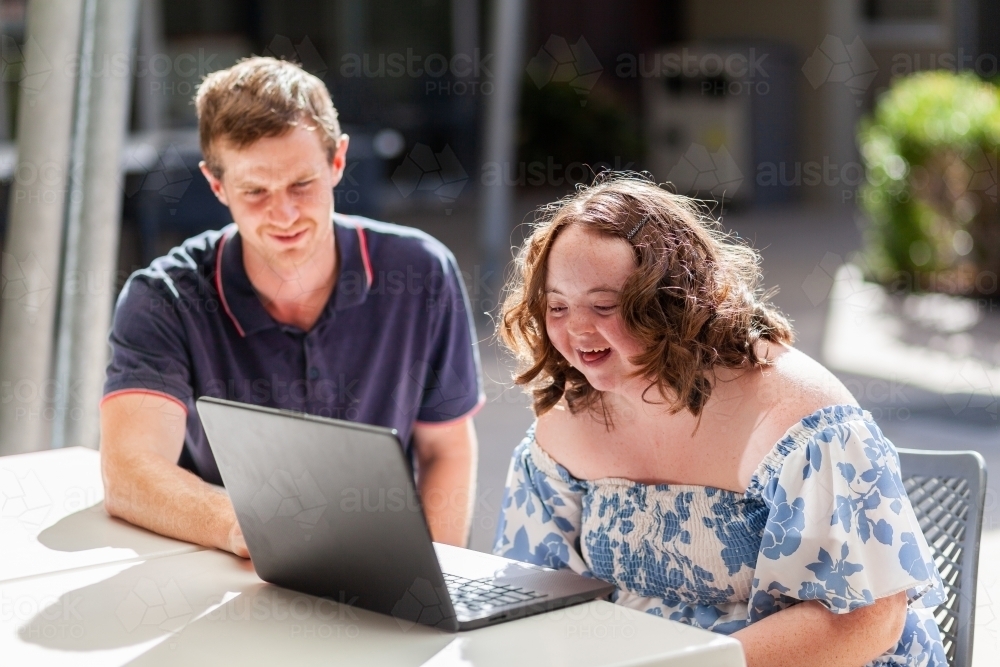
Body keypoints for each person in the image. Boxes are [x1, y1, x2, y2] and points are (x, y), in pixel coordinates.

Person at [493, 173, 946, 666]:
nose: (578, 328)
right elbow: (531, 593)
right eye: (557, 305)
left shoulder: (798, 417)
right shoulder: (568, 419)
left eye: (604, 305)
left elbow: (866, 620)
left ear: (671, 305)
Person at [100, 57, 484, 557]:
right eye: (255, 191)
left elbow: (446, 450)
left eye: (302, 184)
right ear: (217, 185)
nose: (283, 214)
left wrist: (438, 586)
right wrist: (250, 529)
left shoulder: (422, 272)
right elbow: (130, 472)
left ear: (338, 161)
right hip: (227, 569)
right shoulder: (165, 298)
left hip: (389, 567)